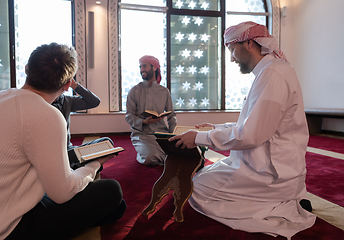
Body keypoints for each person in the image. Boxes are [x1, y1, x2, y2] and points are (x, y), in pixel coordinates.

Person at [169, 21, 316, 239]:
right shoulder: (269, 71)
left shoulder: (273, 74)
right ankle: (283, 199)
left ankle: (281, 205)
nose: (231, 58)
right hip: (262, 162)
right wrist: (217, 127)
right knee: (201, 175)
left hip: (271, 172)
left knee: (195, 188)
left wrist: (199, 138)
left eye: (231, 49)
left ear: (248, 43)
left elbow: (252, 134)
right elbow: (254, 124)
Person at [0, 43, 126, 240]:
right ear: (67, 85)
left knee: (113, 205)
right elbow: (62, 193)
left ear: (26, 69)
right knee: (112, 192)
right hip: (5, 228)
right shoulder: (47, 114)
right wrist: (96, 164)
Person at [125, 55, 177, 165]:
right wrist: (144, 121)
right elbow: (129, 116)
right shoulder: (134, 91)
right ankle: (150, 155)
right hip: (142, 135)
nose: (141, 70)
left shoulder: (164, 91)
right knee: (150, 158)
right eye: (140, 67)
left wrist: (174, 136)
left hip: (162, 134)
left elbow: (171, 116)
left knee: (187, 149)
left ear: (154, 68)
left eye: (144, 66)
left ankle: (166, 156)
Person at [52, 79, 112, 169]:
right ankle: (78, 165)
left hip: (69, 151)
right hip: (52, 155)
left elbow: (94, 102)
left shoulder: (67, 100)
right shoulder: (41, 103)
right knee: (96, 165)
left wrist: (75, 85)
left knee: (106, 142)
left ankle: (74, 165)